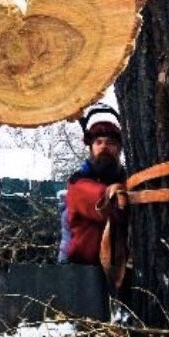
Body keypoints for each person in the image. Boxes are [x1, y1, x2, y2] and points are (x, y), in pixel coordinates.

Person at [59, 103, 126, 266]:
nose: (104, 146)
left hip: (117, 271)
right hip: (81, 273)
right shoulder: (78, 184)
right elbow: (106, 204)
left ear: (119, 148)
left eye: (110, 142)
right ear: (90, 147)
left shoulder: (125, 180)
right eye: (98, 142)